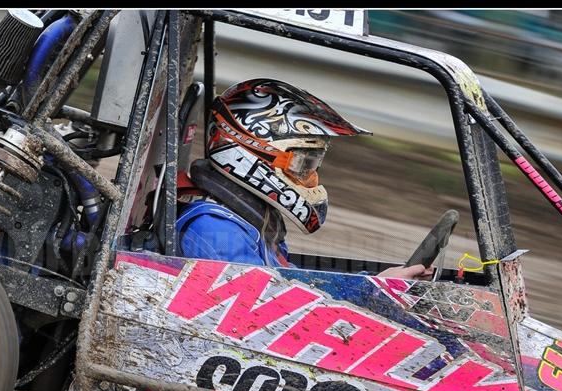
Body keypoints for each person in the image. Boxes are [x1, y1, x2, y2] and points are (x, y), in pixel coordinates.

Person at [175, 78, 433, 280]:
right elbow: (262, 315)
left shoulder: (255, 219)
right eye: (302, 164)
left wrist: (376, 283)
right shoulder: (216, 229)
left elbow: (291, 291)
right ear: (248, 155)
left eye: (312, 164)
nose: (309, 176)